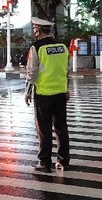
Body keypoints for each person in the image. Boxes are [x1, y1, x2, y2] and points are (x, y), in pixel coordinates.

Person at [24, 17, 70, 173]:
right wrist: (67, 89)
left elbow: (32, 73)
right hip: (60, 93)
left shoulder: (36, 47)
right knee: (61, 128)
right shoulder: (63, 46)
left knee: (43, 129)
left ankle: (44, 163)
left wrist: (27, 92)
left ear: (38, 30)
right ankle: (64, 161)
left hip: (43, 94)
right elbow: (66, 70)